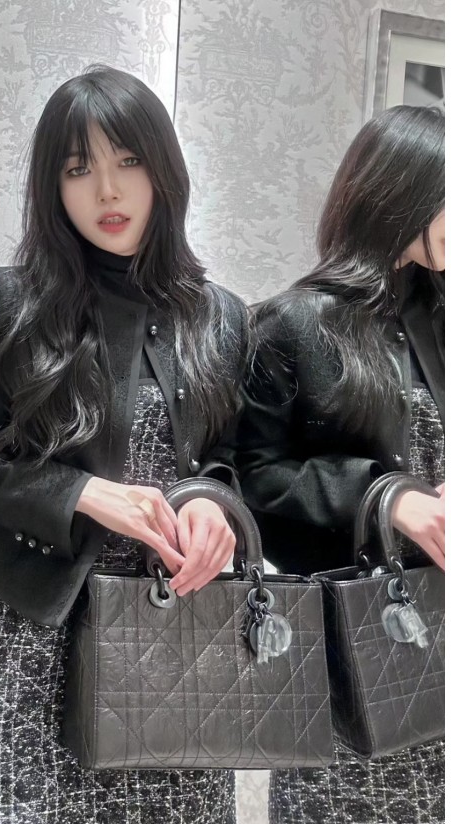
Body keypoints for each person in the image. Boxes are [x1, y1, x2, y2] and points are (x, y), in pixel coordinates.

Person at [0, 65, 249, 824]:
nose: (107, 190)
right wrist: (80, 493)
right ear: (52, 187)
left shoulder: (221, 317)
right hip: (36, 642)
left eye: (127, 161)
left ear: (163, 169)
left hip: (177, 638)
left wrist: (213, 504)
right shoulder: (16, 301)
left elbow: (233, 461)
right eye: (78, 169)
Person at [232, 105, 444, 823]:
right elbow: (255, 481)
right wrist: (386, 496)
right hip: (359, 644)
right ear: (404, 194)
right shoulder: (293, 324)